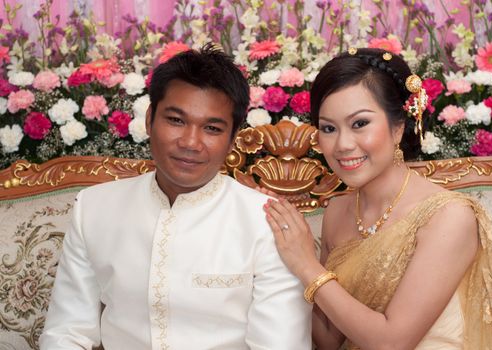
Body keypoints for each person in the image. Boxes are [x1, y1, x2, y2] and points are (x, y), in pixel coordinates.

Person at [40, 44, 311, 350]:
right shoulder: (94, 208)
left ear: (233, 138)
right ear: (150, 119)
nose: (190, 142)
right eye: (176, 120)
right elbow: (67, 332)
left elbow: (278, 345)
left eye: (211, 128)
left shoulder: (266, 223)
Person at [263, 48, 492, 349]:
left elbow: (392, 343)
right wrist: (275, 239)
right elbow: (328, 338)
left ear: (398, 128)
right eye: (328, 128)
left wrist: (306, 266)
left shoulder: (448, 217)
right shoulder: (338, 210)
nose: (342, 145)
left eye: (360, 124)